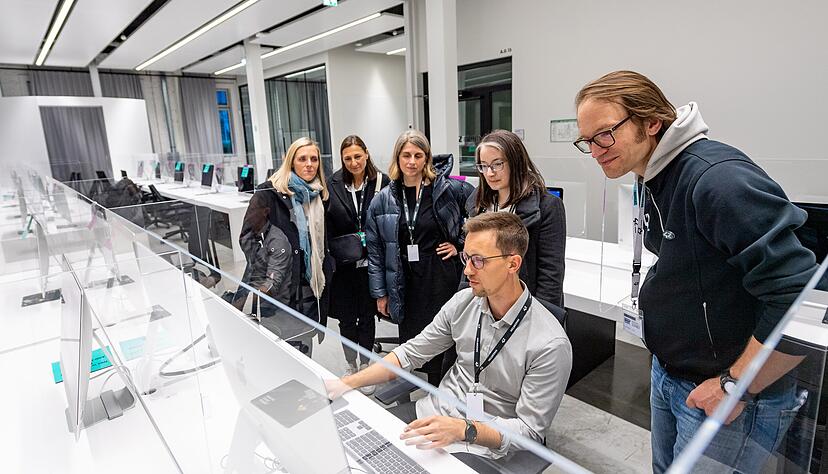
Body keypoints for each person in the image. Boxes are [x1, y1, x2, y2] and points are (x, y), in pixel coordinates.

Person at [574, 70, 818, 473]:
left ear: (651, 122)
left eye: (605, 133)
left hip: (730, 391)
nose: (596, 150)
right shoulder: (652, 176)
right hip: (673, 374)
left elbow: (799, 296)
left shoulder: (717, 180)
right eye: (587, 141)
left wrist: (734, 384)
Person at [328, 212, 572, 471]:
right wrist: (346, 383)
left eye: (478, 261)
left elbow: (529, 430)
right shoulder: (464, 302)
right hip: (432, 414)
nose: (466, 270)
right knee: (346, 445)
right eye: (466, 257)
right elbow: (411, 353)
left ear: (513, 264)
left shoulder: (549, 344)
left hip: (484, 446)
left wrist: (463, 429)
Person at [366, 129, 471, 386]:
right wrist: (381, 293)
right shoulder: (382, 200)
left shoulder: (448, 189)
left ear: (427, 158)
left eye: (418, 155)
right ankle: (421, 390)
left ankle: (445, 391)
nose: (412, 161)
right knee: (415, 342)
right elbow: (376, 250)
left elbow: (480, 218)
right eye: (406, 155)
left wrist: (460, 245)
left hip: (441, 277)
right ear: (397, 158)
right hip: (406, 280)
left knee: (447, 338)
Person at [467, 129, 566, 307]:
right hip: (485, 303)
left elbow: (550, 274)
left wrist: (539, 320)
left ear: (516, 162)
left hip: (526, 304)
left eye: (497, 164)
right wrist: (465, 305)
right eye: (483, 166)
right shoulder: (478, 204)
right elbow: (470, 260)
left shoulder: (548, 206)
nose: (490, 173)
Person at [253, 137, 334, 355]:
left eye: (314, 159)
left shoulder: (319, 194)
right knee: (279, 349)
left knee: (305, 344)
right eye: (302, 159)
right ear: (291, 161)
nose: (309, 164)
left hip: (309, 283)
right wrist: (269, 271)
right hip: (281, 285)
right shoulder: (268, 193)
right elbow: (249, 238)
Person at [326, 135, 390, 392]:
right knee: (346, 318)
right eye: (347, 158)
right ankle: (351, 364)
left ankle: (366, 367)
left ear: (366, 154)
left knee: (367, 316)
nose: (353, 162)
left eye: (357, 156)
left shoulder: (382, 182)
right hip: (343, 265)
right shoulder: (331, 185)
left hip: (371, 263)